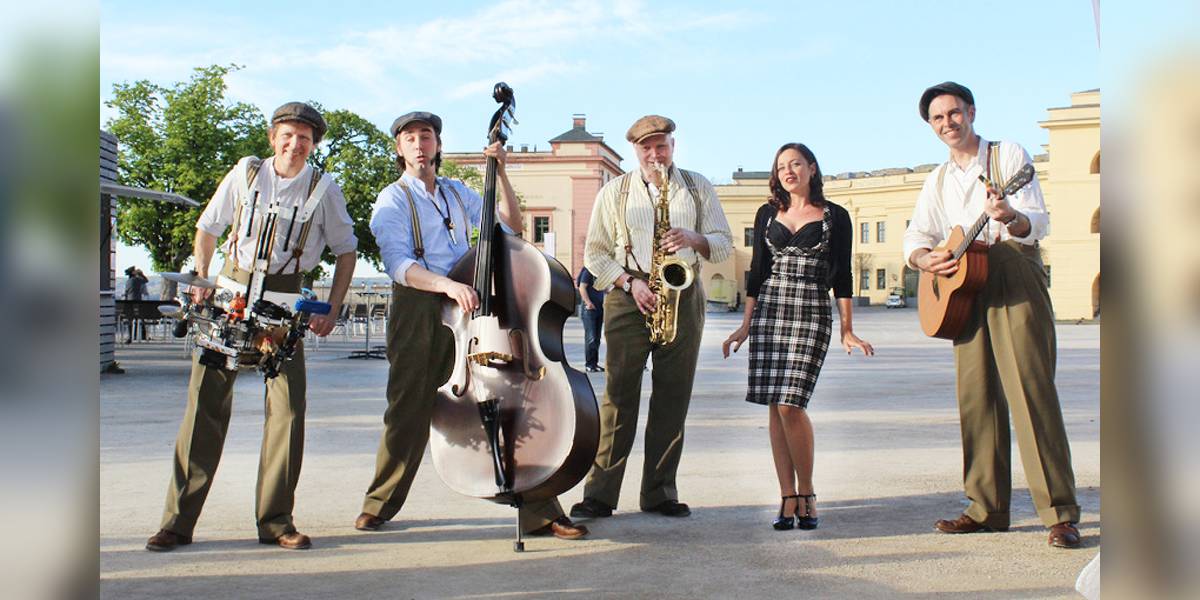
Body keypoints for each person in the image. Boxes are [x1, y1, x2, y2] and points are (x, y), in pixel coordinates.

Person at [355, 111, 588, 540]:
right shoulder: (392, 200)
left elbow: (511, 228)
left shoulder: (458, 192)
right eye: (410, 138)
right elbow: (399, 264)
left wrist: (500, 172)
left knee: (499, 396)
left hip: (470, 307)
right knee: (408, 409)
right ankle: (380, 503)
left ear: (438, 145)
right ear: (400, 149)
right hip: (421, 306)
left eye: (427, 136)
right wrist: (446, 285)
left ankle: (540, 510)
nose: (420, 144)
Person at [145, 102, 358, 551]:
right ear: (272, 138)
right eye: (288, 135)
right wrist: (201, 275)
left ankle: (276, 521)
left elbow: (346, 251)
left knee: (288, 411)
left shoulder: (324, 189)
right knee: (204, 405)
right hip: (231, 293)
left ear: (314, 144)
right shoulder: (245, 173)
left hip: (283, 301)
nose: (295, 144)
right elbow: (208, 227)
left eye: (304, 138)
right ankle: (177, 521)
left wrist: (332, 306)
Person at [904, 82, 1081, 548]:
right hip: (963, 286)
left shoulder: (1007, 156)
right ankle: (986, 507)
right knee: (976, 396)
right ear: (931, 126)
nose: (948, 123)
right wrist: (924, 259)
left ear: (972, 112)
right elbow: (916, 236)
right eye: (938, 118)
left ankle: (1059, 512)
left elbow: (1036, 221)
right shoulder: (937, 179)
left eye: (954, 113)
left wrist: (1009, 216)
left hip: (1011, 270)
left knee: (1030, 388)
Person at [572, 115, 733, 520]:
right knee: (618, 396)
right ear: (636, 150)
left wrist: (693, 238)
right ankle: (600, 493)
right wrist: (629, 283)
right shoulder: (614, 191)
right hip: (630, 293)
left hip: (682, 292)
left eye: (661, 145)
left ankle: (660, 492)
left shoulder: (697, 187)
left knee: (673, 396)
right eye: (647, 147)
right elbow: (595, 253)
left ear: (673, 146)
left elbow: (723, 245)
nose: (655, 154)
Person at [722, 142, 873, 531]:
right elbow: (758, 272)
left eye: (796, 164)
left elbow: (842, 276)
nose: (788, 171)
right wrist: (745, 325)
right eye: (781, 166)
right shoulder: (766, 213)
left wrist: (847, 329)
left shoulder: (835, 216)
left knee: (791, 404)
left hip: (810, 311)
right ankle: (787, 496)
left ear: (812, 168)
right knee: (775, 406)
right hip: (769, 313)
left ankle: (807, 491)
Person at [577, 266, 606, 372]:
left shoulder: (600, 271)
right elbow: (582, 287)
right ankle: (589, 364)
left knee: (597, 338)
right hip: (589, 310)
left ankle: (594, 364)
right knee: (591, 337)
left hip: (599, 308)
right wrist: (588, 302)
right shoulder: (589, 270)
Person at [123, 266, 149, 342]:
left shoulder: (128, 282)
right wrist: (141, 274)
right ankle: (142, 335)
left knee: (130, 319)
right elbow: (146, 280)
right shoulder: (137, 280)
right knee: (140, 317)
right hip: (137, 302)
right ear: (133, 273)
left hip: (129, 302)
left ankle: (130, 336)